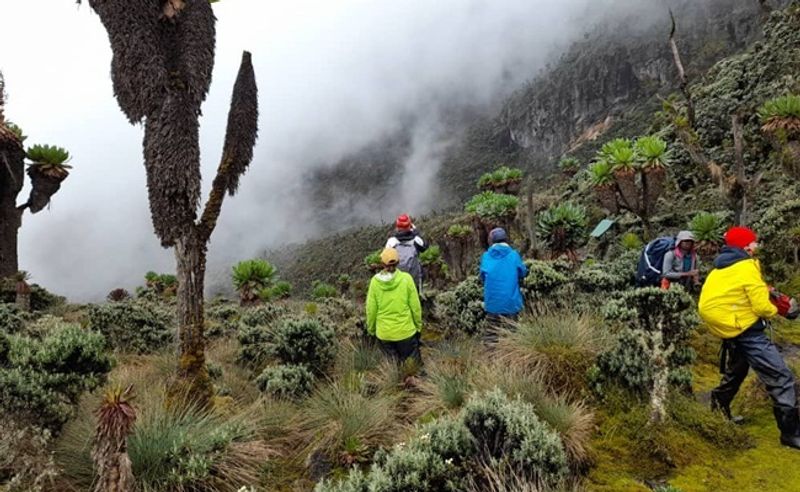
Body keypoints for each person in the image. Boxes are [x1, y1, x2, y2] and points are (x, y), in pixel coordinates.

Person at [698, 226, 800, 449]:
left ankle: (719, 408)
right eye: (754, 242)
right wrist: (777, 311)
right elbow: (761, 305)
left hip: (728, 327)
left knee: (737, 370)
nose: (757, 246)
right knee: (780, 377)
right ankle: (791, 434)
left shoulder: (720, 267)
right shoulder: (746, 266)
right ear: (745, 246)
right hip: (746, 330)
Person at [366, 247, 423, 366]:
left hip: (384, 335)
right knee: (414, 368)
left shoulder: (374, 282)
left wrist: (371, 330)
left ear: (382, 264)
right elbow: (415, 307)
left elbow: (371, 310)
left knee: (392, 368)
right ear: (398, 262)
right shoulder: (406, 279)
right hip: (406, 332)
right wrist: (418, 326)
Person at [479, 228, 527, 342]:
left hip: (493, 302)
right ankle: (511, 356)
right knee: (512, 333)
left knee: (491, 333)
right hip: (511, 301)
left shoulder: (486, 256)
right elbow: (523, 272)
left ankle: (490, 356)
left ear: (492, 241)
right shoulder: (514, 255)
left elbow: (482, 276)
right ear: (506, 239)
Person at [385, 214, 428, 293]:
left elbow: (386, 259)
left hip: (397, 278)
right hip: (414, 277)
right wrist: (416, 231)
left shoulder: (391, 241)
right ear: (409, 226)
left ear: (397, 227)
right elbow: (424, 247)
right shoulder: (416, 239)